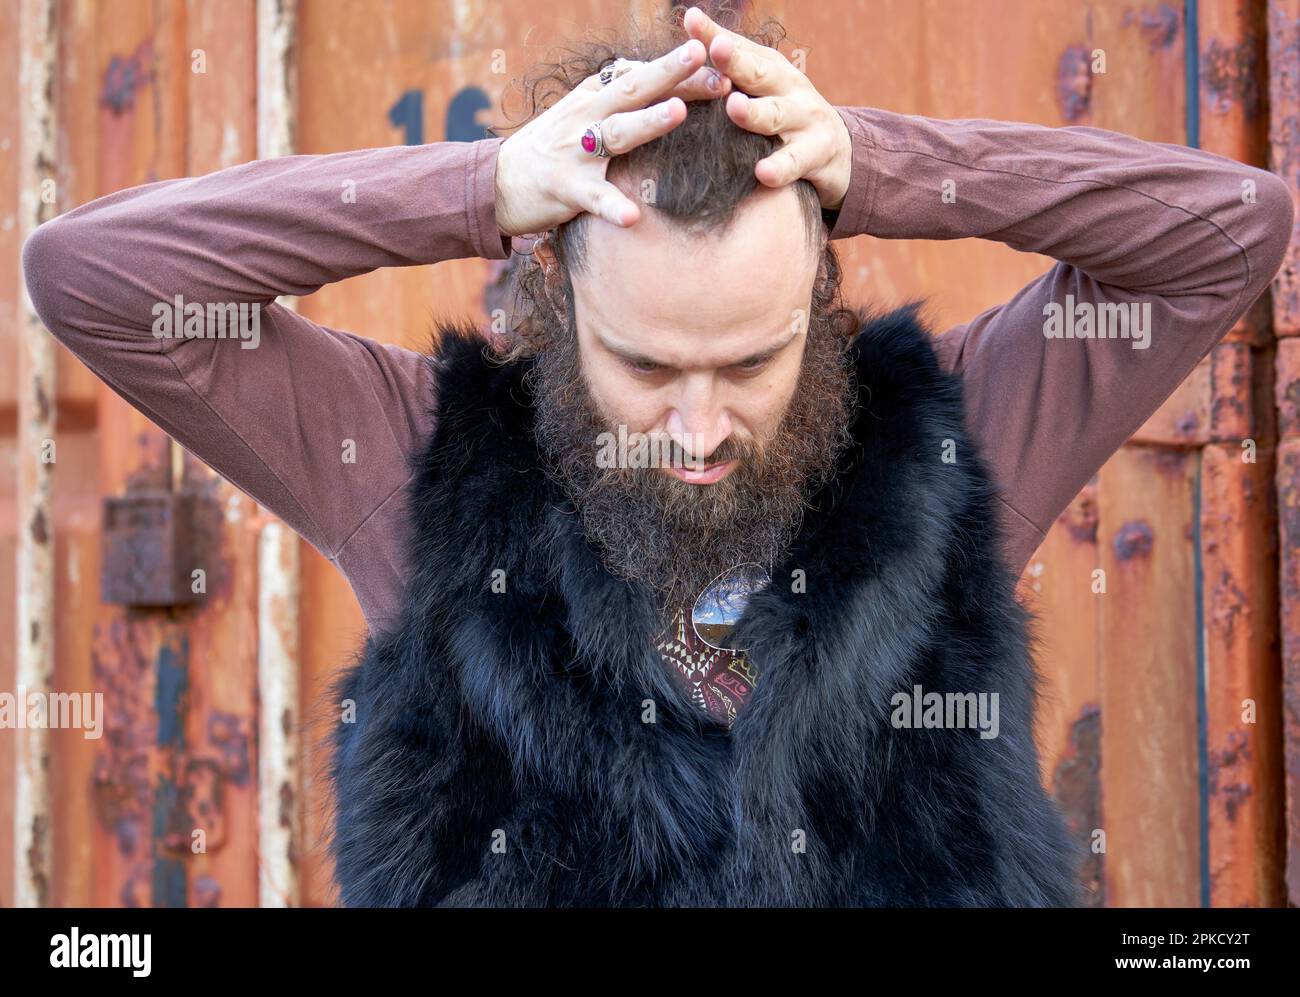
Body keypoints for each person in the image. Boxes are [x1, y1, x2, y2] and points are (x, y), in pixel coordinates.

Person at [21, 4, 1293, 906]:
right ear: (554, 311)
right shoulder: (411, 463)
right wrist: (473, 189)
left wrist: (886, 166)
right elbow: (91, 277)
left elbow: (1229, 229)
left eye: (751, 365)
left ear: (821, 308)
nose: (697, 431)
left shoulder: (955, 445)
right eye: (644, 369)